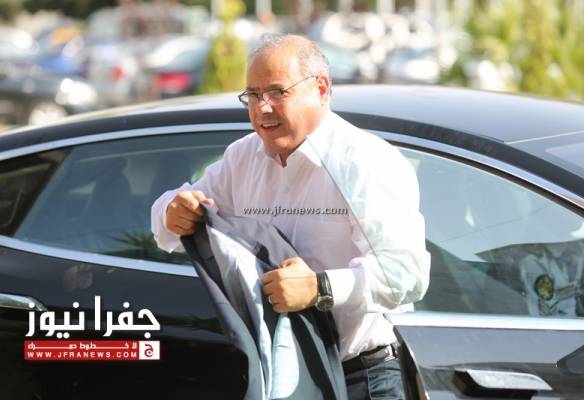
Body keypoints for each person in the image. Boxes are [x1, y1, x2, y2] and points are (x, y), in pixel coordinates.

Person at [151, 34, 430, 400]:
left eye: (277, 92)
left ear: (321, 89)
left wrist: (319, 288)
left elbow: (405, 275)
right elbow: (168, 220)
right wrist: (173, 212)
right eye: (253, 95)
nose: (262, 108)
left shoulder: (366, 161)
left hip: (359, 378)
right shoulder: (242, 158)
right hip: (273, 373)